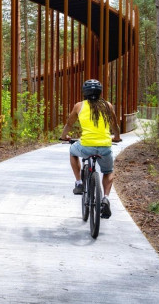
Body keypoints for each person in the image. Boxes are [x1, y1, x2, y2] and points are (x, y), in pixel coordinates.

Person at [60, 79, 121, 219]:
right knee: (108, 171)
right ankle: (105, 198)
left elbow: (69, 124)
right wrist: (116, 137)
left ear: (84, 92)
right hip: (105, 147)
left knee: (72, 151)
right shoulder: (108, 105)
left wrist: (64, 136)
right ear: (100, 92)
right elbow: (115, 126)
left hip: (86, 146)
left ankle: (79, 182)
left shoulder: (79, 106)